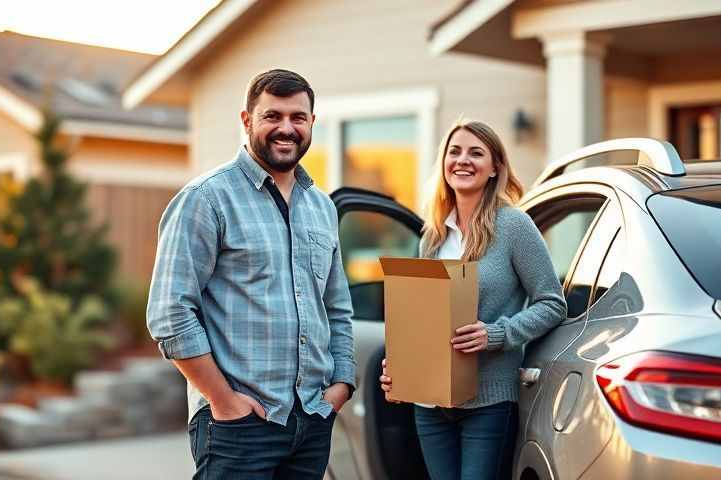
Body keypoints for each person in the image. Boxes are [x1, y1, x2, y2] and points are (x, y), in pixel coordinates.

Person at [147, 69, 356, 479]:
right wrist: (222, 400)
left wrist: (341, 386)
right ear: (247, 121)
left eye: (298, 117)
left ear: (312, 123)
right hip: (239, 426)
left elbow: (336, 308)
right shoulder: (205, 199)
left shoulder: (322, 207)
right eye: (272, 116)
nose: (286, 128)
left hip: (312, 420)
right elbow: (170, 312)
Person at [380, 119, 567, 480]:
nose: (463, 161)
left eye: (476, 153)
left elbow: (552, 303)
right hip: (430, 404)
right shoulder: (432, 237)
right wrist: (402, 370)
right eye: (455, 152)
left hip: (489, 401)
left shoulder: (513, 226)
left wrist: (497, 334)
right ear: (444, 162)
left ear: (495, 166)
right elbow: (423, 319)